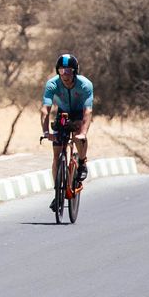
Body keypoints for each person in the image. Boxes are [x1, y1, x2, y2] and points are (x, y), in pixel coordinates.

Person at [42, 53, 95, 213]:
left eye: (69, 71)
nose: (65, 75)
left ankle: (82, 162)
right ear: (57, 71)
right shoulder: (52, 84)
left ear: (75, 71)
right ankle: (58, 192)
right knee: (56, 155)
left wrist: (83, 133)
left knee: (78, 136)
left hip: (79, 113)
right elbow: (45, 110)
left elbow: (88, 111)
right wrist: (46, 131)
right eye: (61, 71)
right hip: (63, 113)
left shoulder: (85, 85)